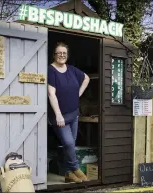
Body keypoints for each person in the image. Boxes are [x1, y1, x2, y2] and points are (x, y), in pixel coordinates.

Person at [47, 42, 90, 183]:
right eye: (59, 53)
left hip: (74, 114)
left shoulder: (71, 69)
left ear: (67, 55)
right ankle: (75, 168)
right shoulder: (51, 70)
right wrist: (58, 114)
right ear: (54, 54)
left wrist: (78, 94)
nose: (62, 55)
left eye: (64, 53)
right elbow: (51, 94)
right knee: (69, 143)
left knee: (69, 145)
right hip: (60, 116)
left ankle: (67, 173)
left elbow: (86, 78)